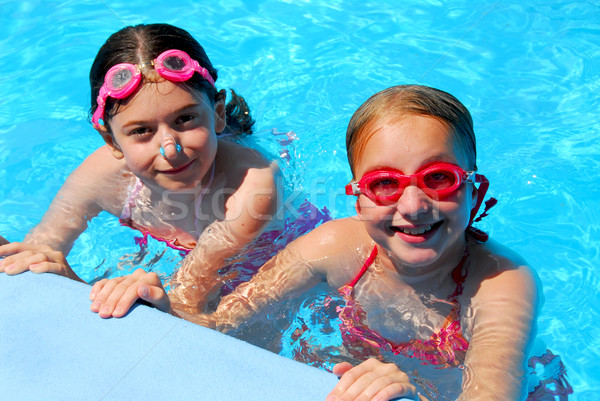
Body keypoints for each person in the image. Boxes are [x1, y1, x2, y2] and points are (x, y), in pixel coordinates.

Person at [77, 85, 573, 400]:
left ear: (473, 190)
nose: (414, 205)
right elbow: (221, 329)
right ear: (357, 198)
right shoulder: (335, 248)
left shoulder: (501, 283)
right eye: (384, 184)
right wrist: (162, 308)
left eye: (439, 179)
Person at [0, 23, 280, 315]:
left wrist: (74, 282)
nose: (169, 149)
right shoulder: (103, 175)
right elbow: (41, 248)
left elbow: (191, 309)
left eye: (185, 119)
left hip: (259, 269)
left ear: (218, 114)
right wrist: (39, 265)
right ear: (111, 140)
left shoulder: (251, 186)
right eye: (141, 131)